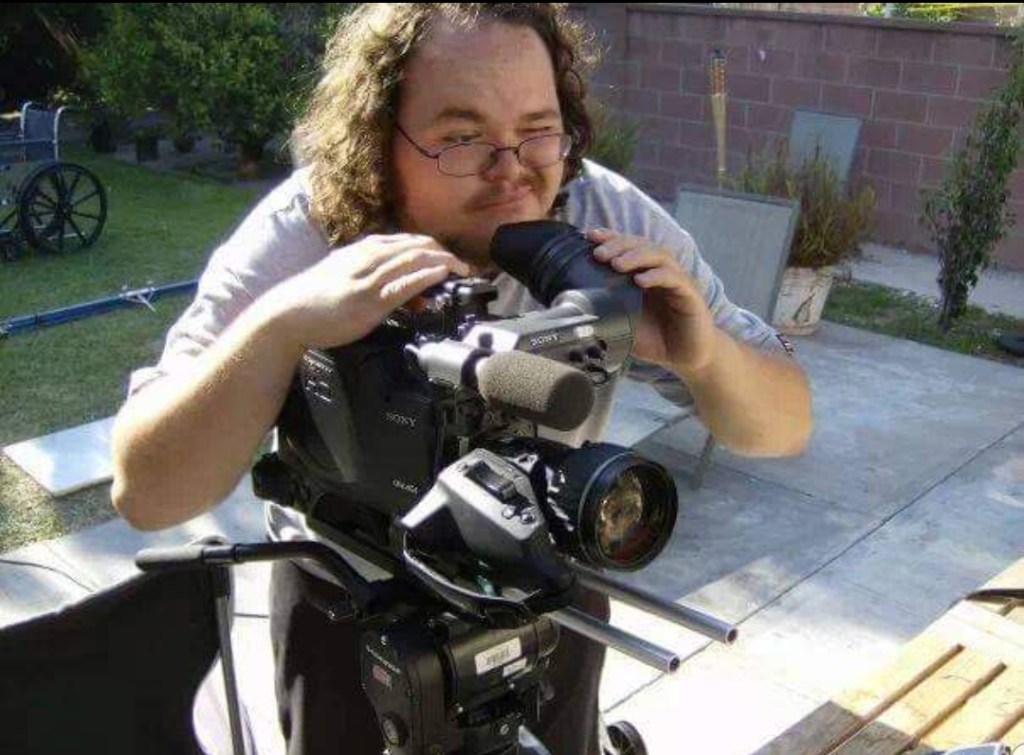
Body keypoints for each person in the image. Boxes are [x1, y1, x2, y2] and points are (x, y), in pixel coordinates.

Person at [111, 5, 813, 754]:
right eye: (461, 137)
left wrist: (704, 355)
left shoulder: (599, 215)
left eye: (537, 129)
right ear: (379, 143)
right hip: (355, 607)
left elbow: (785, 425)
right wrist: (280, 326)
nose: (510, 168)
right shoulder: (307, 232)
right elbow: (148, 493)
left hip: (547, 589)